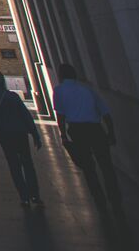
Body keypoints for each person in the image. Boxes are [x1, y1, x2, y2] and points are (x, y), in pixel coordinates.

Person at [54, 62, 125, 221]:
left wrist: (63, 134)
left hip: (77, 131)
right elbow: (105, 113)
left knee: (88, 167)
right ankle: (115, 197)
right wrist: (111, 132)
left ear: (61, 76)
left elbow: (61, 114)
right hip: (96, 129)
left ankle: (98, 198)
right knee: (106, 165)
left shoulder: (59, 91)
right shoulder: (88, 90)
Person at [0, 67, 44, 209]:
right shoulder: (12, 96)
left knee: (13, 164)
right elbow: (26, 115)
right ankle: (35, 195)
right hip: (20, 132)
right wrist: (35, 134)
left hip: (4, 134)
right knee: (27, 163)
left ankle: (24, 197)